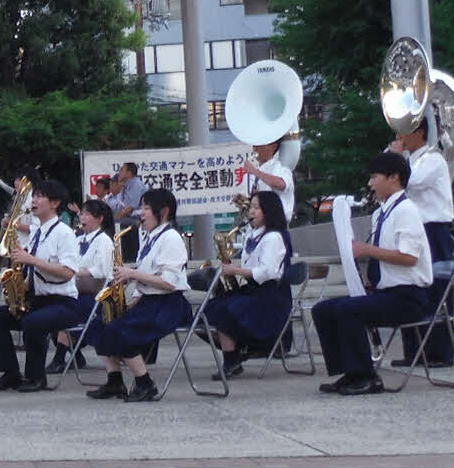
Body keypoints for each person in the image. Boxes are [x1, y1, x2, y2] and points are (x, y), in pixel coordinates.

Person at [312, 152, 434, 396]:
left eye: (374, 177)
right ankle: (350, 372)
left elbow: (408, 257)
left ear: (394, 178)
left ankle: (367, 377)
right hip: (388, 293)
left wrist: (367, 250)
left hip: (409, 298)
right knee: (322, 309)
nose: (370, 184)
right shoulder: (382, 213)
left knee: (348, 311)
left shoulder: (406, 210)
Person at [85, 187, 192, 402]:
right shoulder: (151, 237)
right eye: (141, 207)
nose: (140, 213)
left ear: (163, 211)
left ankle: (145, 384)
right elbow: (147, 277)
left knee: (121, 330)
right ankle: (115, 381)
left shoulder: (171, 238)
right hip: (148, 300)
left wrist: (132, 273)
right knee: (99, 324)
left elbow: (168, 283)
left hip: (168, 305)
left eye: (146, 209)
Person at [0, 178, 84, 393]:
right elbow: (33, 269)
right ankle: (10, 373)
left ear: (54, 203)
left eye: (39, 196)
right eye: (33, 196)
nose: (33, 200)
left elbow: (67, 271)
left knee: (33, 322)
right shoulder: (38, 232)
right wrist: (18, 284)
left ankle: (36, 377)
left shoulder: (64, 233)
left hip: (64, 303)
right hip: (38, 299)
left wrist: (32, 260)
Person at [203, 189, 294, 379]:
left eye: (256, 208)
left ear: (268, 210)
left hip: (271, 298)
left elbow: (266, 272)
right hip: (254, 292)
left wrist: (235, 271)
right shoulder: (254, 236)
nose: (251, 212)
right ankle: (235, 355)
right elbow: (251, 268)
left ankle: (235, 357)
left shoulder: (274, 237)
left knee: (226, 310)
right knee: (213, 308)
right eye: (250, 207)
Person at [390, 117, 454, 366]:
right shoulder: (410, 160)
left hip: (433, 230)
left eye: (404, 132)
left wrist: (396, 160)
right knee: (410, 285)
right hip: (412, 228)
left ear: (419, 133)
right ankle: (415, 351)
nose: (399, 138)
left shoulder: (433, 159)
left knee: (436, 288)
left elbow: (410, 182)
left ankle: (439, 352)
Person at [47, 199, 115, 375]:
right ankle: (75, 355)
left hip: (95, 296)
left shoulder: (104, 241)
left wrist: (74, 272)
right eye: (82, 213)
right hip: (75, 290)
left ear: (100, 219)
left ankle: (59, 358)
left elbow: (102, 271)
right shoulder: (77, 239)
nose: (82, 217)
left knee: (67, 310)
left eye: (87, 214)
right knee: (50, 305)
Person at [106, 163, 148, 259]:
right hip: (131, 219)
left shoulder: (135, 185)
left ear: (129, 173)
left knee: (119, 225)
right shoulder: (126, 187)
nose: (119, 173)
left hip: (139, 219)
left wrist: (113, 220)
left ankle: (128, 259)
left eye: (122, 170)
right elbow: (121, 208)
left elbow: (128, 210)